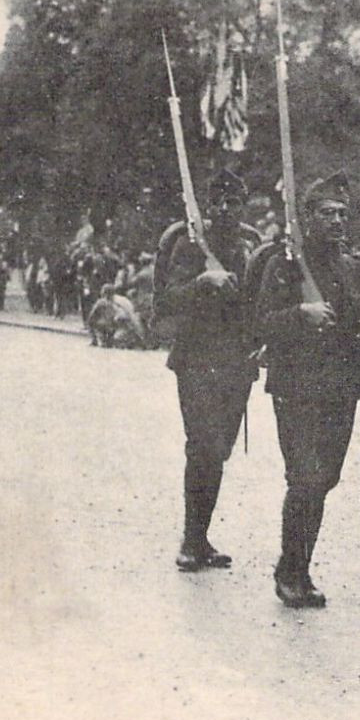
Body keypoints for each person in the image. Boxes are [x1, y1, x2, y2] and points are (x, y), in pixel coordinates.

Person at [256, 172, 360, 606]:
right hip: (297, 387)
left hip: (342, 389)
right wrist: (301, 313)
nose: (337, 221)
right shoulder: (282, 265)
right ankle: (290, 570)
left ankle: (301, 568)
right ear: (308, 218)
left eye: (342, 213)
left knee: (324, 480)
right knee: (304, 478)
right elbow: (259, 324)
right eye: (327, 214)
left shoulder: (357, 269)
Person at [154, 171, 257, 573]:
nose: (226, 209)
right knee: (203, 447)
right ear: (209, 206)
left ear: (243, 206)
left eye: (234, 202)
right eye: (219, 202)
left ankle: (201, 536)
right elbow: (167, 299)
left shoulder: (252, 244)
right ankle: (191, 540)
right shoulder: (189, 244)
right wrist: (202, 280)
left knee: (220, 451)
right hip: (197, 358)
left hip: (237, 361)